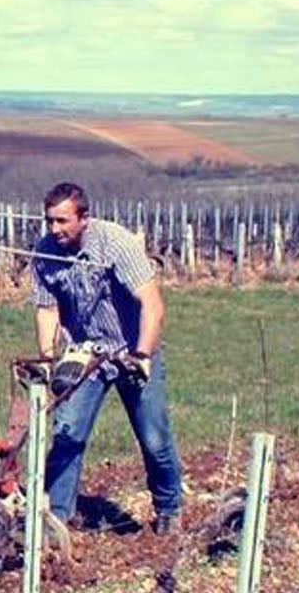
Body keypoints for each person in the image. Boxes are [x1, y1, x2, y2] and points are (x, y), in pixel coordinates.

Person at [28, 181, 184, 533]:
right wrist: (49, 358)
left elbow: (152, 304)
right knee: (68, 433)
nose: (54, 229)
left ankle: (169, 508)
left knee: (154, 439)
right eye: (49, 221)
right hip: (85, 353)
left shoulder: (116, 243)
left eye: (62, 221)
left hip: (130, 349)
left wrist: (142, 354)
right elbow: (47, 311)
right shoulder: (44, 253)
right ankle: (55, 520)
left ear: (84, 218)